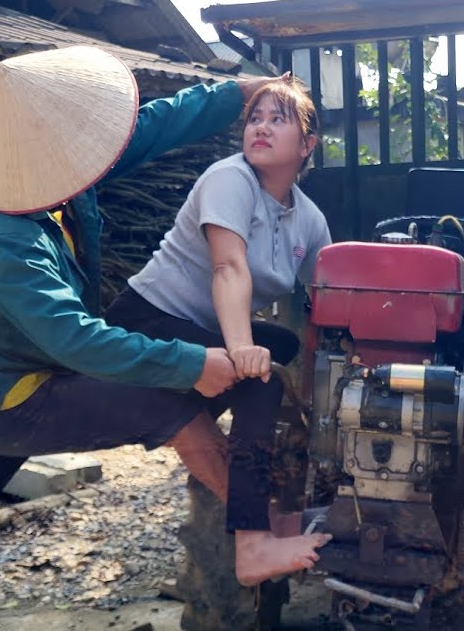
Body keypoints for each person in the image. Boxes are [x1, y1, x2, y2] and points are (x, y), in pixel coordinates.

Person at [0, 47, 328, 631]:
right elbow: (78, 343)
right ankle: (256, 538)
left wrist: (239, 91)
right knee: (178, 410)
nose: (93, 154)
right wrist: (194, 364)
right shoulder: (1, 241)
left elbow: (158, 123)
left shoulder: (57, 179)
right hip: (13, 402)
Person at [105, 75, 331, 586]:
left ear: (307, 145)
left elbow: (329, 299)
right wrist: (240, 350)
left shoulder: (309, 220)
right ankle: (253, 545)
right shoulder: (229, 179)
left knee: (287, 348)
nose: (261, 129)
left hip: (200, 324)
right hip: (147, 319)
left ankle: (270, 468)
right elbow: (229, 269)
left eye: (278, 120)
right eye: (254, 118)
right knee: (260, 378)